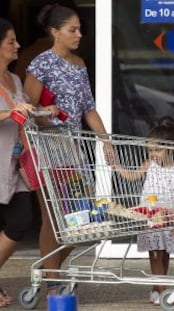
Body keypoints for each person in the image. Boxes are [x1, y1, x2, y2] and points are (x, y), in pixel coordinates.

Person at [23, 4, 110, 294]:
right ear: (55, 32)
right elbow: (28, 111)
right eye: (73, 30)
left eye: (80, 29)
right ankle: (52, 283)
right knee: (53, 218)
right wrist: (43, 113)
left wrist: (105, 139)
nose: (79, 35)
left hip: (74, 151)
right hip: (48, 150)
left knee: (81, 219)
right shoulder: (41, 64)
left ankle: (49, 273)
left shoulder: (80, 64)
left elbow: (89, 109)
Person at [114, 116, 174, 305]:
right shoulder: (149, 165)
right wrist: (116, 165)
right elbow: (132, 176)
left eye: (158, 149)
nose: (153, 154)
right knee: (154, 252)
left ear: (170, 148)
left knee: (165, 253)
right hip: (152, 217)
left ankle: (157, 288)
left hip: (171, 218)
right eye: (150, 150)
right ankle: (164, 290)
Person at [0, 18, 35, 307]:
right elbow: (11, 114)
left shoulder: (14, 79)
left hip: (15, 162)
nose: (17, 46)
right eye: (11, 41)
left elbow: (22, 112)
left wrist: (42, 111)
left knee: (21, 221)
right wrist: (8, 114)